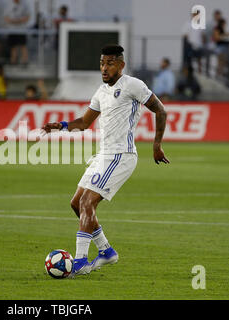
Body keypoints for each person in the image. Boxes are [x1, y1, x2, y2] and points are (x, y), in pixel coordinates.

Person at [42, 44, 169, 276]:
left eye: (110, 63)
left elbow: (160, 110)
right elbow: (83, 123)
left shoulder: (133, 85)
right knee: (76, 203)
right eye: (102, 63)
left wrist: (157, 144)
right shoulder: (101, 91)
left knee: (88, 202)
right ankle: (106, 251)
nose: (104, 67)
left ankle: (79, 262)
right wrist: (60, 126)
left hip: (121, 156)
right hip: (103, 155)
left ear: (121, 65)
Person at [4, 0, 31, 65]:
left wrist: (19, 21)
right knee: (13, 46)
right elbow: (5, 17)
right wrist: (13, 21)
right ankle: (13, 61)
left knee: (23, 45)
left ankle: (25, 61)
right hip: (12, 29)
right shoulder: (8, 4)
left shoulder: (24, 4)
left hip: (21, 29)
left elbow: (28, 16)